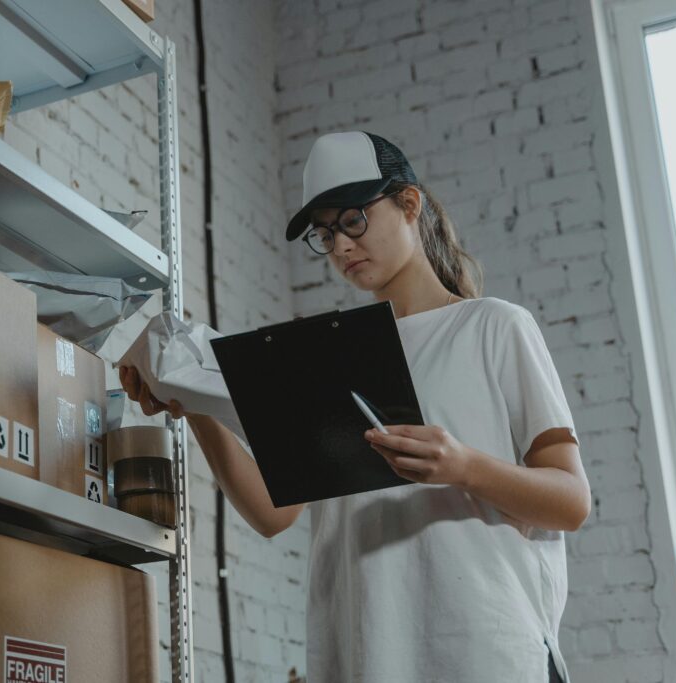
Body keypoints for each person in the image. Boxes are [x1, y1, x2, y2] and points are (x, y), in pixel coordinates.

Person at [118, 131, 589, 682]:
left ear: (408, 204)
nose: (339, 247)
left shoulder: (492, 326)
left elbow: (571, 500)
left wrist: (465, 467)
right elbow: (275, 515)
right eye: (324, 233)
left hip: (487, 654)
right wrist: (192, 401)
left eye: (352, 221)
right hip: (368, 655)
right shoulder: (324, 357)